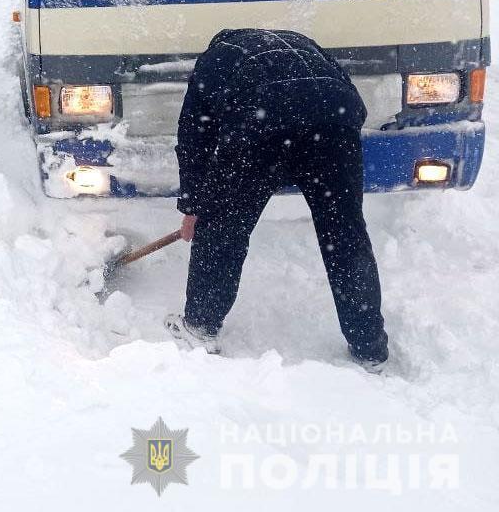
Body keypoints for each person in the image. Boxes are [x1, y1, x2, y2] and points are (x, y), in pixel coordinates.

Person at [164, 28, 389, 370]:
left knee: (224, 226)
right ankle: (369, 347)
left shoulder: (212, 61)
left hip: (263, 117)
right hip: (335, 119)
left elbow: (194, 140)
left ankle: (200, 325)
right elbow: (346, 94)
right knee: (345, 233)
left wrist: (196, 209)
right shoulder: (302, 43)